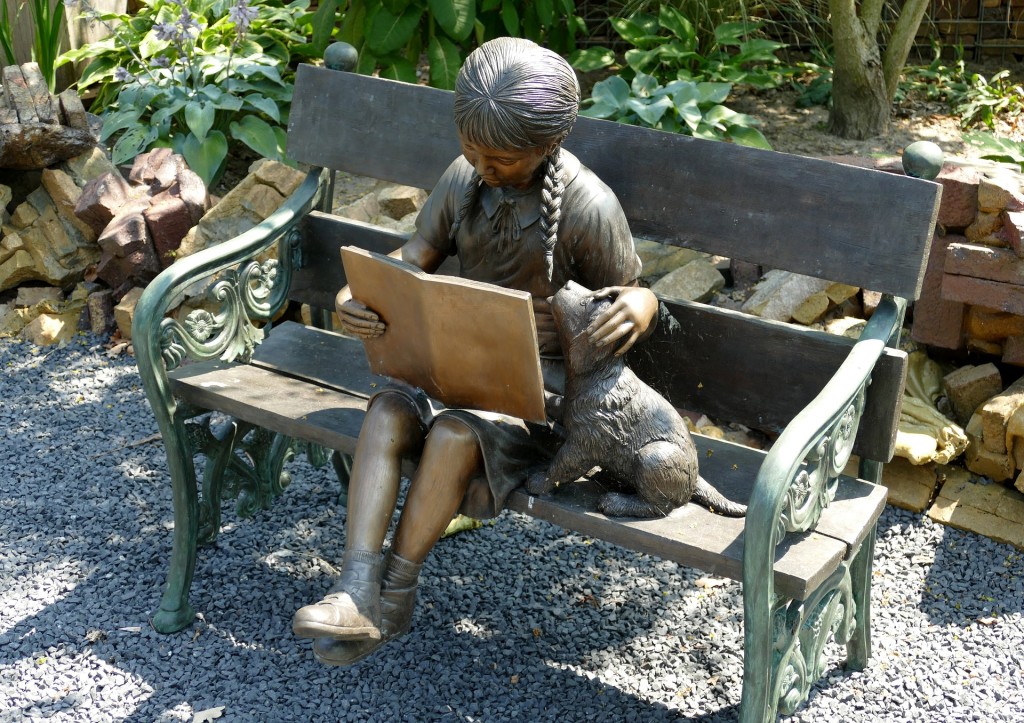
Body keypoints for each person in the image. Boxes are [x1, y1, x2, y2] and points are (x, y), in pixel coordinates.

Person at [291, 36, 660, 666]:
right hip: (452, 362)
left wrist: (642, 305)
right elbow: (412, 258)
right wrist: (362, 291)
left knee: (458, 436)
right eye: (473, 150)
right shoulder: (464, 180)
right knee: (387, 411)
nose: (485, 167)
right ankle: (355, 588)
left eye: (504, 160)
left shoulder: (587, 206)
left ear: (549, 146)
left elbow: (628, 292)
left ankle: (396, 593)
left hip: (537, 392)